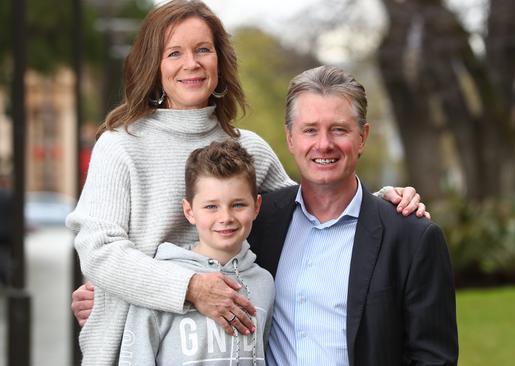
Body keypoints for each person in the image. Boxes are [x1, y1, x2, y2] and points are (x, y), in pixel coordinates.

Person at [67, 1, 425, 364]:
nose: (191, 63)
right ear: (153, 66)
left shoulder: (247, 148)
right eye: (174, 53)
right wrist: (189, 288)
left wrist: (380, 203)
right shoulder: (120, 146)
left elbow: (308, 212)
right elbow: (100, 249)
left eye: (203, 50)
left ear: (219, 61)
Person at [247, 65, 459, 365]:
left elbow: (434, 359)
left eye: (339, 129)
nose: (324, 144)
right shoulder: (259, 223)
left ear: (362, 137)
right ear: (290, 138)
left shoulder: (412, 237)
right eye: (310, 130)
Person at [119, 140, 272, 365]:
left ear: (256, 206)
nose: (226, 217)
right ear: (189, 211)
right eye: (211, 206)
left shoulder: (265, 283)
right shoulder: (161, 279)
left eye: (238, 204)